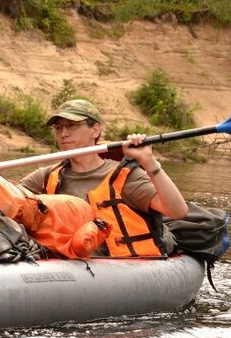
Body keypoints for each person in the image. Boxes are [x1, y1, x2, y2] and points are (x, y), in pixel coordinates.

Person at [19, 98, 188, 257]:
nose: (63, 133)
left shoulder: (124, 177)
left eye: (71, 125)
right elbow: (5, 198)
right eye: (58, 128)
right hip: (67, 262)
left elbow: (177, 211)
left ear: (95, 130)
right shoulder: (46, 176)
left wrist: (148, 161)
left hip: (116, 268)